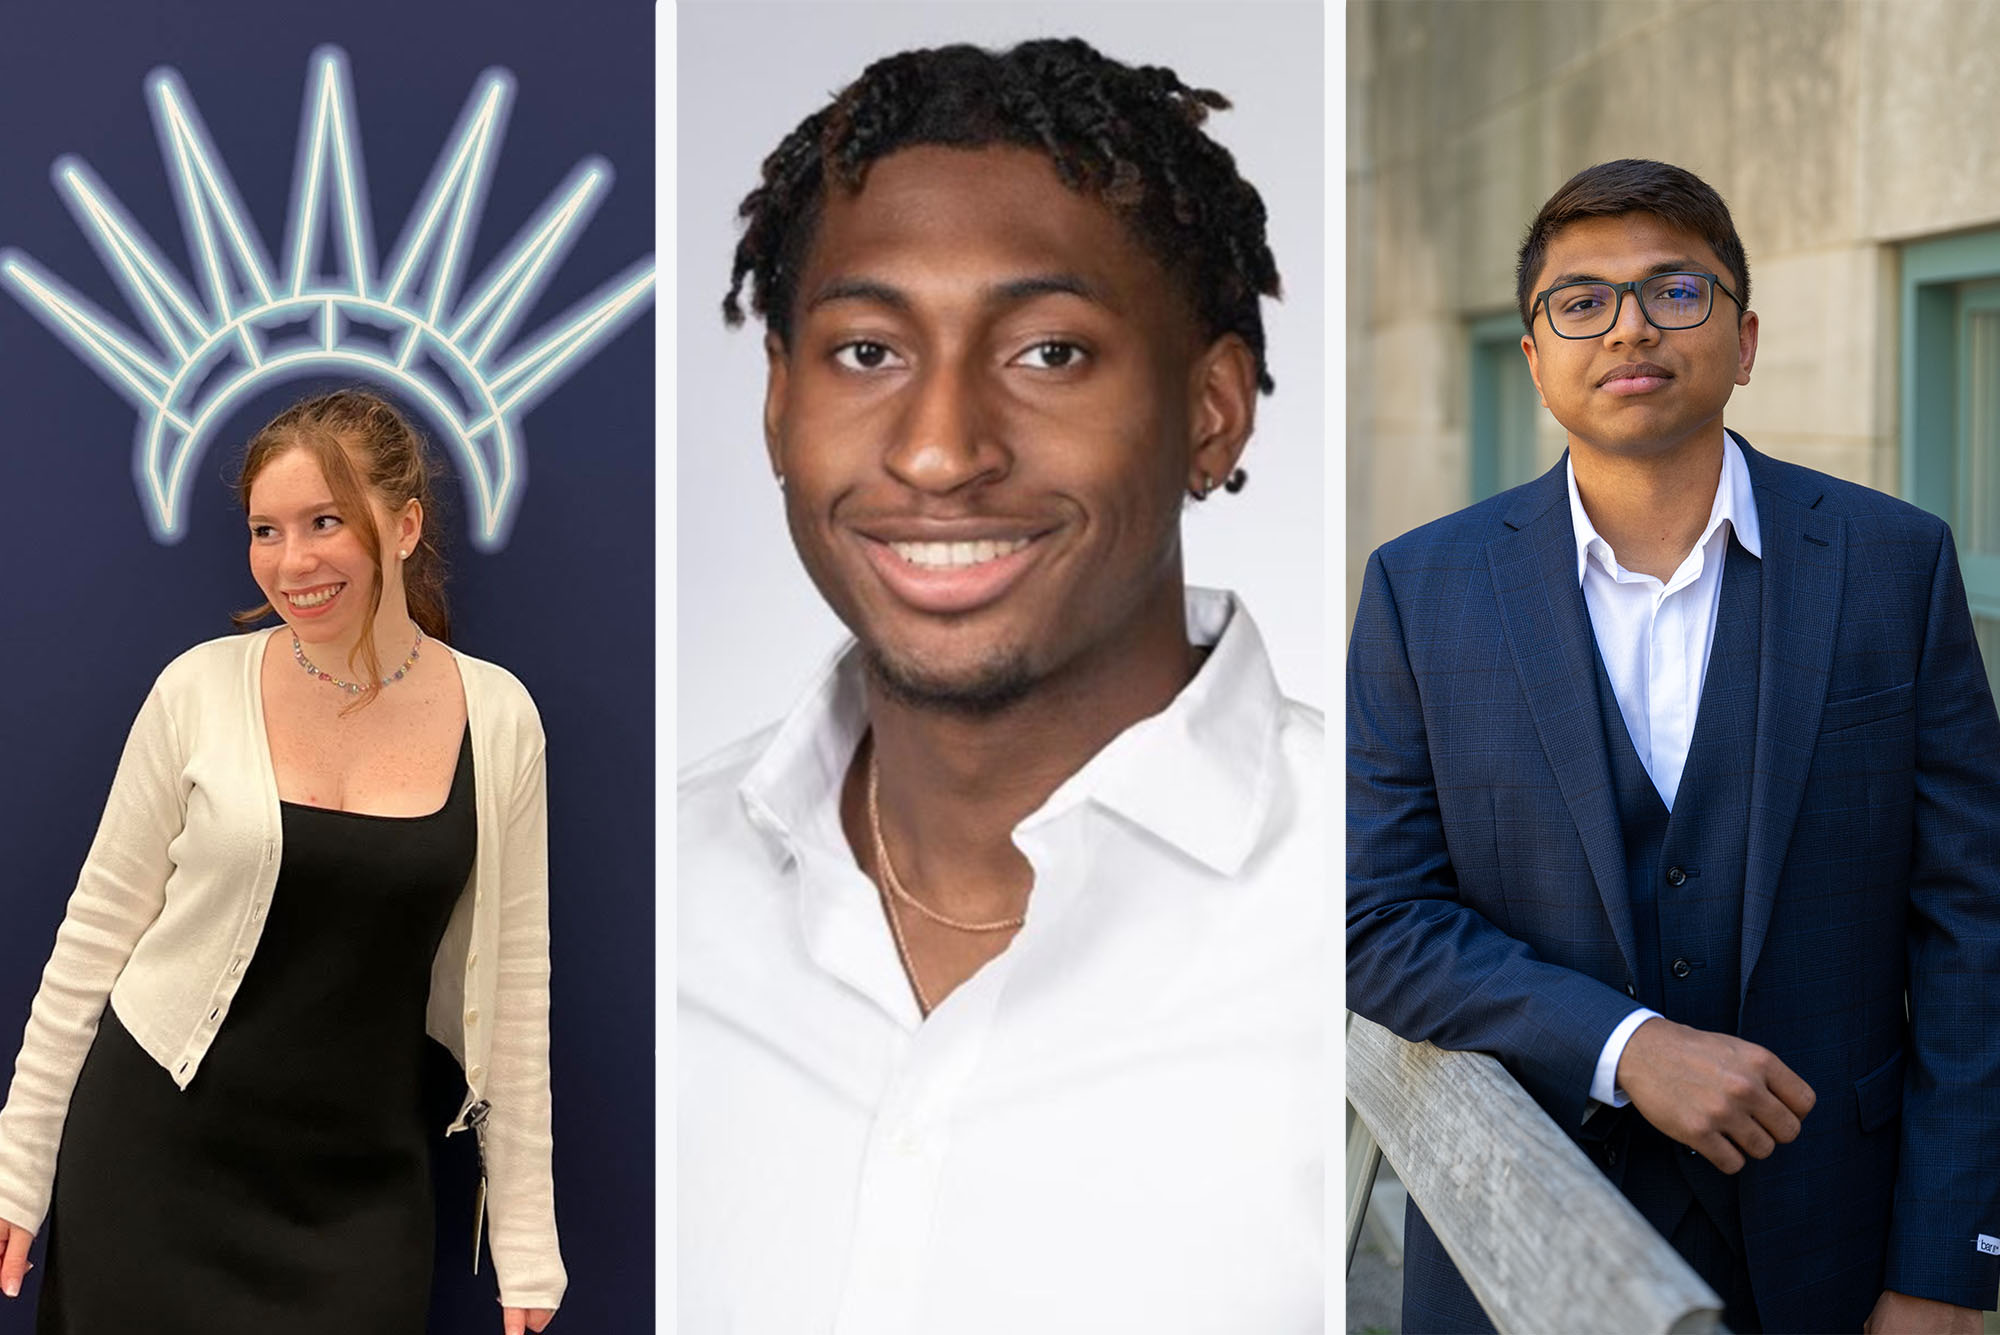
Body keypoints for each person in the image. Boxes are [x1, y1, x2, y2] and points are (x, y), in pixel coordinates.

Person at [679, 38, 1322, 1334]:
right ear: (777, 408)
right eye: (867, 352)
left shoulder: (1367, 905)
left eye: (1049, 353)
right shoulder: (644, 889)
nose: (937, 449)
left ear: (1212, 412)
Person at [1347, 158, 2000, 1334]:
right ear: (1534, 355)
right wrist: (1623, 1045)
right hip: (1523, 1228)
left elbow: (1973, 923)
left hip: (1838, 1244)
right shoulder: (1418, 589)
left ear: (1742, 340)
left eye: (1674, 292)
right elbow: (1372, 917)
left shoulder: (1892, 563)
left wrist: (1948, 1261)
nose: (1629, 327)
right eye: (1580, 301)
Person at [0, 389, 562, 1334]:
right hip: (152, 1164)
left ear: (406, 524)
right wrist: (18, 1171)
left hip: (359, 1196)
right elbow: (93, 940)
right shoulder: (196, 689)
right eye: (266, 529)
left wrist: (526, 1239)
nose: (291, 562)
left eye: (325, 522)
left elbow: (514, 988)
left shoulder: (499, 717)